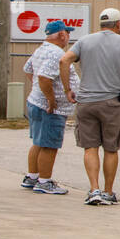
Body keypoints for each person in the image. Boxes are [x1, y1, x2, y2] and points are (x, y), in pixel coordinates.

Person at [60, 7, 120, 206]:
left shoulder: (84, 41)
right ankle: (108, 191)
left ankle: (93, 189)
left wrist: (67, 89)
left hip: (86, 101)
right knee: (111, 148)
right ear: (117, 24)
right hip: (112, 103)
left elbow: (64, 60)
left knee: (90, 147)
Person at [21, 19, 80, 195]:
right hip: (49, 108)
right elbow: (44, 77)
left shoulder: (41, 49)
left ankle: (32, 176)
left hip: (35, 102)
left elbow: (28, 69)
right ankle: (44, 182)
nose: (68, 37)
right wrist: (51, 99)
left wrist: (39, 91)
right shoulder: (56, 53)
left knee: (38, 142)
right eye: (67, 33)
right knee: (49, 144)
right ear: (62, 34)